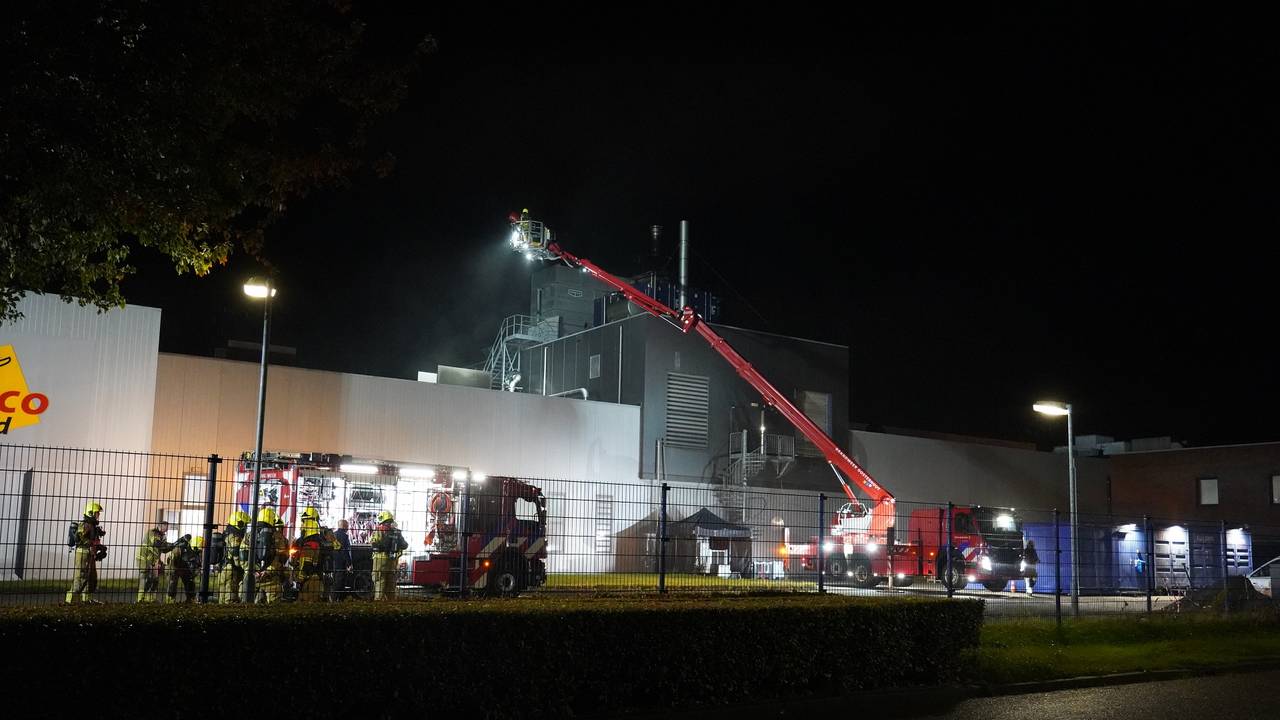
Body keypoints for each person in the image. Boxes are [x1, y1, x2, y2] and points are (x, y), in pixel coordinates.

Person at [293, 506, 341, 602]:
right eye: (304, 521)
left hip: (315, 577)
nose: (304, 524)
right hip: (313, 577)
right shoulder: (304, 541)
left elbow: (337, 546)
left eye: (306, 521)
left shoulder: (318, 539)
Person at [66, 501, 107, 604]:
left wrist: (101, 548)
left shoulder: (93, 527)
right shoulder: (85, 525)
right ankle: (69, 601)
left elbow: (94, 541)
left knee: (91, 578)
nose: (98, 516)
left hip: (90, 554)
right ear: (90, 513)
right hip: (83, 554)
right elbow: (79, 538)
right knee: (81, 577)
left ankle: (87, 599)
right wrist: (92, 545)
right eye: (96, 514)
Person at [248, 508, 289, 604]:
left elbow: (243, 555)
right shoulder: (278, 537)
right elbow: (281, 558)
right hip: (272, 579)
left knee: (250, 608)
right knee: (273, 610)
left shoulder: (250, 535)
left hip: (253, 578)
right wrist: (267, 571)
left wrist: (252, 571)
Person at [369, 510, 408, 600]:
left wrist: (383, 546)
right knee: (391, 587)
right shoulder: (397, 532)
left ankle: (379, 607)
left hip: (380, 562)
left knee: (379, 584)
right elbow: (405, 545)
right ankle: (390, 607)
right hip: (393, 562)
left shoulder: (378, 531)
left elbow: (374, 545)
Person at [135, 520, 173, 603]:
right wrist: (171, 545)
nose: (166, 528)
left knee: (155, 579)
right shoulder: (152, 532)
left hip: (153, 560)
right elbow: (157, 543)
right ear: (160, 525)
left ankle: (151, 599)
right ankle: (141, 599)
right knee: (145, 578)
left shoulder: (163, 536)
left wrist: (173, 546)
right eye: (165, 526)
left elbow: (164, 549)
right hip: (144, 558)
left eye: (167, 527)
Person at [218, 511, 250, 603]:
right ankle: (229, 616)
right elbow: (236, 553)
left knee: (222, 597)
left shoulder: (227, 532)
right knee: (230, 598)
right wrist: (241, 566)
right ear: (239, 523)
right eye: (244, 524)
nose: (245, 527)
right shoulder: (235, 536)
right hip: (231, 569)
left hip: (223, 567)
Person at [166, 534, 200, 603]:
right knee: (173, 583)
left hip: (186, 567)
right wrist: (172, 570)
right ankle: (170, 599)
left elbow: (196, 563)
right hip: (175, 566)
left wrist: (194, 572)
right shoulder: (179, 548)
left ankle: (191, 599)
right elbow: (171, 559)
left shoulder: (196, 552)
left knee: (190, 582)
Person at [330, 519, 353, 601]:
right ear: (344, 526)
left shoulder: (334, 535)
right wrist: (349, 563)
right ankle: (335, 599)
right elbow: (345, 551)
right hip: (341, 563)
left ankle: (335, 599)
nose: (348, 527)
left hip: (334, 562)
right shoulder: (344, 536)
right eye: (347, 525)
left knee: (336, 581)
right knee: (340, 583)